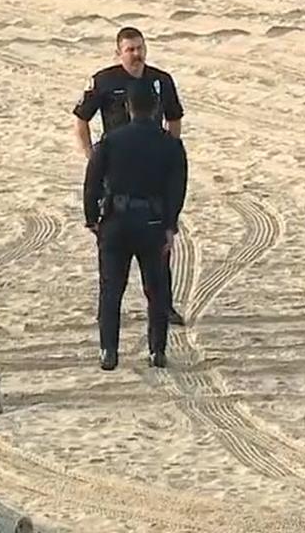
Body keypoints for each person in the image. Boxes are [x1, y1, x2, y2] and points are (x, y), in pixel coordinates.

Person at [73, 26, 186, 326]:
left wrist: (171, 154)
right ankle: (107, 310)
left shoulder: (161, 81)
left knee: (160, 239)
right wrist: (91, 156)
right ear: (118, 52)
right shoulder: (104, 81)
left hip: (152, 167)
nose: (136, 55)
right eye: (130, 50)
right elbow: (81, 119)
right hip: (115, 167)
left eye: (140, 48)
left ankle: (165, 306)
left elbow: (174, 119)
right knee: (112, 244)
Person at [83, 79, 188, 370]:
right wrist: (170, 225)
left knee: (111, 288)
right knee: (156, 289)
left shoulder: (111, 141)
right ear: (156, 108)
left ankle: (109, 351)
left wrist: (92, 219)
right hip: (153, 222)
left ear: (128, 108)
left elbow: (92, 182)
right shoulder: (171, 145)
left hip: (116, 220)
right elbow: (176, 190)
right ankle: (157, 350)